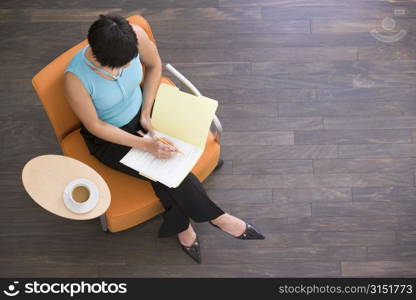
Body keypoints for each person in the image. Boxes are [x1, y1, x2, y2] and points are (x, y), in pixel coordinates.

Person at [63, 14, 264, 264]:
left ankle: (180, 225)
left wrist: (146, 112)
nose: (127, 68)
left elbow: (155, 65)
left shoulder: (135, 35)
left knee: (168, 164)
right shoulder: (75, 79)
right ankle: (217, 218)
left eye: (129, 62)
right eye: (120, 66)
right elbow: (95, 125)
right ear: (98, 55)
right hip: (110, 136)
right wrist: (145, 145)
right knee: (165, 169)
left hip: (145, 110)